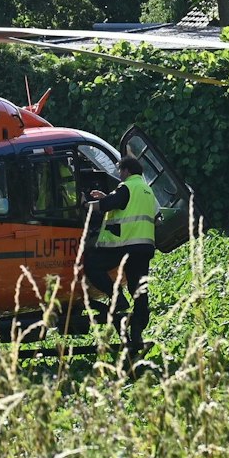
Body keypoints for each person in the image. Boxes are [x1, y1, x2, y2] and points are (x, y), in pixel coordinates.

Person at [85, 152, 158, 361]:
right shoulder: (147, 191)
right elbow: (158, 218)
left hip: (124, 245)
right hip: (144, 248)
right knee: (139, 290)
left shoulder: (127, 187)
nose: (119, 174)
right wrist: (106, 197)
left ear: (126, 170)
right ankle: (137, 330)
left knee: (92, 265)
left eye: (120, 171)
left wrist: (86, 204)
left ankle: (117, 300)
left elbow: (109, 205)